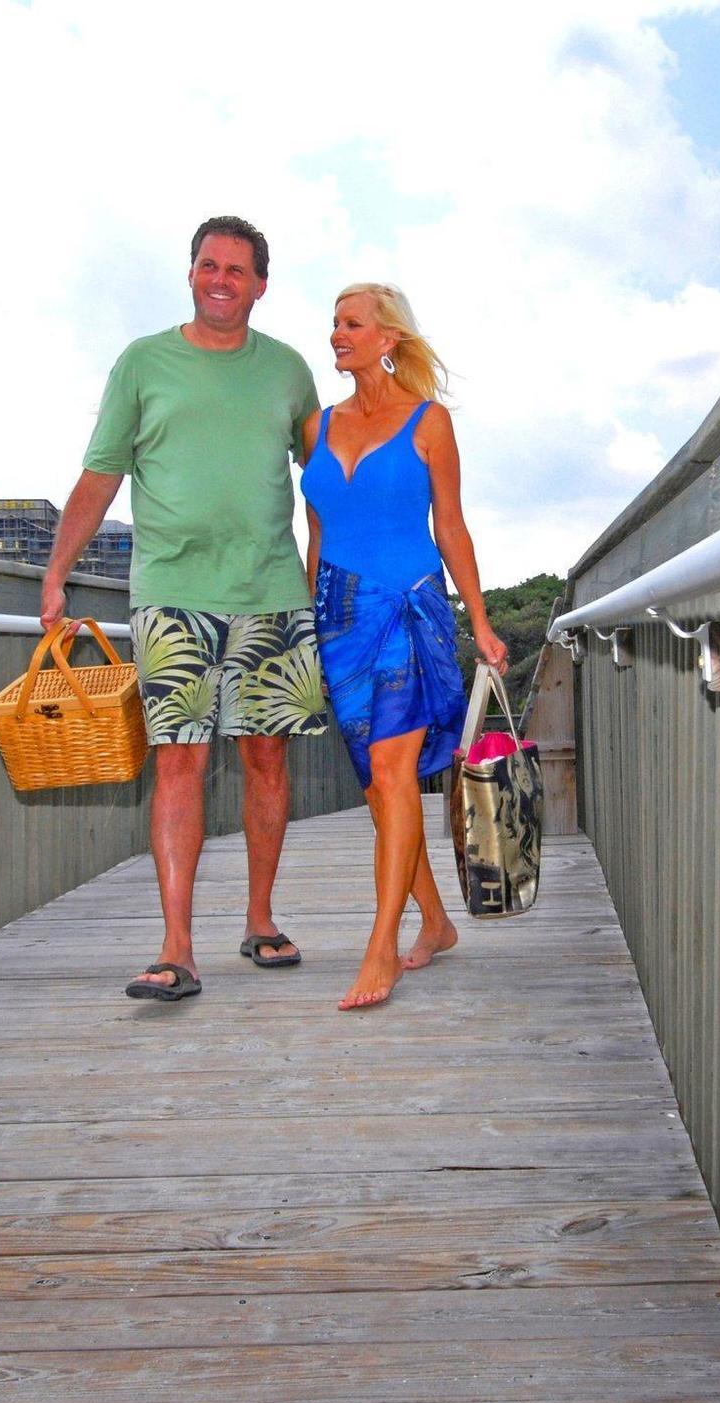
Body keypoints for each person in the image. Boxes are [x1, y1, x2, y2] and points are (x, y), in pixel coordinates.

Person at [42, 215, 328, 1002]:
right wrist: (56, 573)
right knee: (179, 762)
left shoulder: (289, 372)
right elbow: (100, 477)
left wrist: (317, 571)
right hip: (171, 595)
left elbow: (326, 483)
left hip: (272, 594)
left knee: (267, 760)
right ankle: (176, 946)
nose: (221, 280)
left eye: (238, 270)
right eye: (209, 265)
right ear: (191, 272)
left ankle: (262, 918)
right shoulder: (142, 363)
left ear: (261, 284)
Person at [301, 282, 507, 1011]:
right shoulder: (315, 426)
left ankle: (380, 944)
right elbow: (318, 533)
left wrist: (479, 619)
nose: (336, 335)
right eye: (334, 324)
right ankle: (437, 920)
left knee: (393, 772)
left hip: (410, 607)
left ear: (387, 339)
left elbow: (450, 525)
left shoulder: (429, 422)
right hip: (338, 619)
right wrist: (307, 619)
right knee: (376, 786)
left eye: (351, 324)